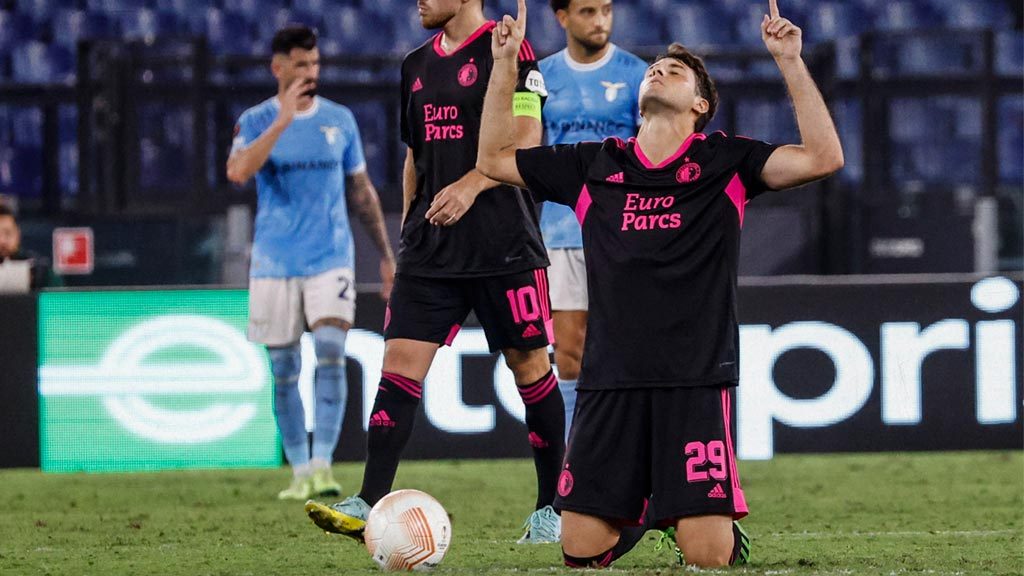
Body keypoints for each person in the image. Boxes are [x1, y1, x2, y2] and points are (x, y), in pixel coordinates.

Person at [475, 0, 843, 568]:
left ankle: (686, 516)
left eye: (677, 71)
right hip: (609, 383)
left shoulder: (726, 162)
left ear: (701, 105)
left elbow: (824, 157)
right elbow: (496, 159)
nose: (659, 69)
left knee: (708, 557)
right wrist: (503, 67)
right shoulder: (594, 164)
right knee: (579, 550)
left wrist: (790, 60)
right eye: (655, 68)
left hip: (694, 382)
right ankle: (650, 510)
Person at [304, 0, 564, 545]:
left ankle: (552, 509)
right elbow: (413, 156)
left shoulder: (509, 47)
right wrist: (408, 232)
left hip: (504, 246)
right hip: (430, 248)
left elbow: (528, 137)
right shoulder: (414, 65)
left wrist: (472, 184)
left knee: (530, 370)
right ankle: (369, 501)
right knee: (397, 364)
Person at [226, 25, 396, 501]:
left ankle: (323, 464)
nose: (310, 73)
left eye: (315, 64)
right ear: (278, 68)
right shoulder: (256, 119)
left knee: (328, 349)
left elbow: (361, 192)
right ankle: (299, 468)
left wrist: (386, 256)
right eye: (301, 65)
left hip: (330, 256)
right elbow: (238, 172)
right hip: (274, 260)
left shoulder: (339, 121)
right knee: (283, 366)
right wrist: (282, 120)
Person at [539, 0, 646, 441]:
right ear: (562, 17)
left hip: (625, 230)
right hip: (562, 231)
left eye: (605, 9)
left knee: (632, 348)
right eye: (587, 11)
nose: (600, 20)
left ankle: (634, 456)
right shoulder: (540, 76)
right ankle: (575, 462)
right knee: (569, 353)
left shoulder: (638, 75)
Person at [0, 203, 52, 291]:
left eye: (8, 233)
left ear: (17, 234)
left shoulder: (41, 269)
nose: (2, 241)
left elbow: (58, 302)